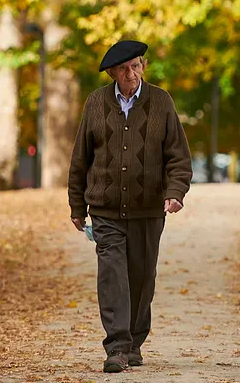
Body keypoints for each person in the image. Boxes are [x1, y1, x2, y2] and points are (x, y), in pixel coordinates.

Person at [67, 40, 193, 373]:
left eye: (136, 65)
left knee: (141, 277)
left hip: (148, 209)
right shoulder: (95, 103)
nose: (131, 73)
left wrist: (176, 192)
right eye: (124, 68)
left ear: (144, 65)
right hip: (105, 210)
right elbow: (81, 159)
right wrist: (77, 205)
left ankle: (135, 342)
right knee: (112, 277)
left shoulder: (161, 102)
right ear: (112, 72)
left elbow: (178, 156)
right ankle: (117, 347)